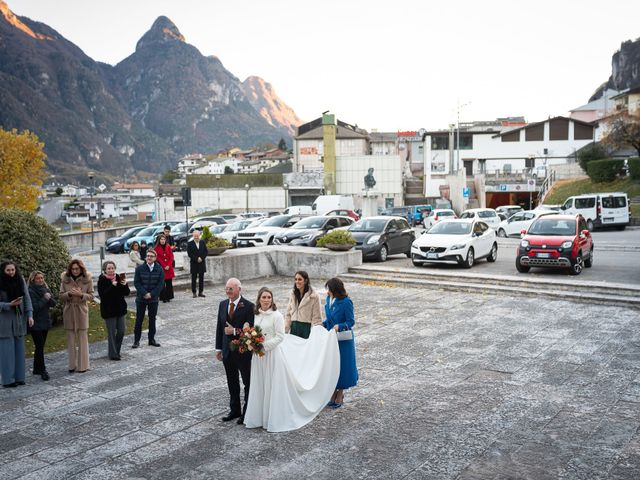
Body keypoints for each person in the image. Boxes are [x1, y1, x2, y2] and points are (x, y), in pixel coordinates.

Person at [244, 287, 340, 432]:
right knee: (260, 384)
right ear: (259, 299)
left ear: (272, 300)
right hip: (259, 357)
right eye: (263, 297)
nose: (266, 300)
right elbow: (254, 331)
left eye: (269, 297)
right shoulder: (256, 315)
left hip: (272, 355)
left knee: (271, 385)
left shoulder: (276, 315)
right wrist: (252, 342)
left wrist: (264, 346)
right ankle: (259, 417)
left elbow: (280, 336)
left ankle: (272, 418)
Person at [215, 278, 254, 424]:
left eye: (231, 288)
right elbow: (219, 328)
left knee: (247, 383)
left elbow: (251, 330)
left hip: (243, 351)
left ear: (239, 289)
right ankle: (234, 410)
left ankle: (247, 412)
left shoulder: (249, 306)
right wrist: (219, 348)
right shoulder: (222, 304)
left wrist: (235, 331)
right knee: (232, 382)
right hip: (227, 351)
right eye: (226, 288)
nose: (228, 291)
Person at [323, 277, 358, 408]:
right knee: (332, 365)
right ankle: (333, 391)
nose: (328, 292)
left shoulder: (346, 302)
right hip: (331, 338)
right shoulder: (328, 299)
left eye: (330, 289)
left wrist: (340, 326)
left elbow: (351, 321)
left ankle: (340, 393)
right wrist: (322, 325)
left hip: (343, 339)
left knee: (343, 366)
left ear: (336, 290)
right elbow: (329, 319)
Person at [0, 261, 34, 387]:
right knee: (6, 353)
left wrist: (30, 315)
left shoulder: (20, 281)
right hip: (4, 323)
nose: (11, 272)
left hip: (19, 321)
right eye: (8, 270)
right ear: (3, 271)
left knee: (20, 351)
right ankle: (8, 380)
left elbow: (27, 299)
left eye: (13, 270)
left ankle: (20, 378)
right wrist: (9, 305)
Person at [60, 259, 93, 373]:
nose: (75, 271)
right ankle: (72, 365)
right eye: (73, 269)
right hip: (69, 310)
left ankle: (83, 365)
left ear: (81, 269)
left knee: (83, 338)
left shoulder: (87, 279)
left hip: (81, 310)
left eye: (77, 269)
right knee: (71, 339)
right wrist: (69, 294)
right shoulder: (65, 279)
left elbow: (91, 296)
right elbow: (60, 296)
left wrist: (81, 295)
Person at [97, 261, 130, 360]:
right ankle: (113, 354)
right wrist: (112, 286)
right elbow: (103, 295)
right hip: (109, 311)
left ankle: (116, 351)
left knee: (121, 331)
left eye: (112, 268)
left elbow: (127, 293)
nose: (111, 270)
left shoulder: (119, 278)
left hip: (120, 309)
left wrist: (125, 285)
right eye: (109, 268)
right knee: (111, 333)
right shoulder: (102, 280)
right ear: (105, 270)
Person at [132, 249, 164, 348]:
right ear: (145, 257)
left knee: (152, 319)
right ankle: (136, 341)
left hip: (153, 299)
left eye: (151, 256)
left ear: (155, 258)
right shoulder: (139, 268)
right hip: (141, 298)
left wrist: (152, 294)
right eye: (148, 256)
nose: (149, 258)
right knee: (139, 320)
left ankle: (151, 339)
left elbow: (160, 284)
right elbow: (137, 283)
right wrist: (145, 293)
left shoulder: (159, 269)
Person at [27, 271, 56, 380]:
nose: (40, 280)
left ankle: (36, 368)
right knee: (39, 346)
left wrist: (48, 297)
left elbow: (53, 303)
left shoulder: (45, 289)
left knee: (40, 346)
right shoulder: (30, 291)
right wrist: (45, 298)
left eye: (42, 278)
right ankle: (43, 370)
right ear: (33, 280)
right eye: (38, 278)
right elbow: (35, 307)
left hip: (45, 321)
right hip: (35, 323)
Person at [284, 271, 322, 339]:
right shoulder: (293, 294)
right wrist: (285, 330)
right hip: (294, 328)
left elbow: (317, 317)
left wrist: (316, 334)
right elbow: (288, 314)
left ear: (305, 281)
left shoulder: (314, 296)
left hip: (306, 329)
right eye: (295, 279)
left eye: (300, 279)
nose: (297, 281)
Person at [154, 234, 175, 303]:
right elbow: (158, 259)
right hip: (161, 268)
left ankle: (169, 296)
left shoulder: (168, 246)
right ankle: (163, 297)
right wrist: (164, 266)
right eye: (161, 239)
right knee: (162, 284)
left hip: (169, 268)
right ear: (159, 240)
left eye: (164, 239)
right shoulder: (156, 248)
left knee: (169, 284)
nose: (163, 241)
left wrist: (168, 265)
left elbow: (171, 257)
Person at [187, 230, 208, 298]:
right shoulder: (190, 243)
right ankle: (194, 292)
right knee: (194, 279)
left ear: (199, 236)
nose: (196, 237)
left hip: (201, 263)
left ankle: (201, 292)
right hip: (194, 263)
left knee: (201, 279)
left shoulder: (202, 242)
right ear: (193, 236)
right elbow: (189, 254)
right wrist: (196, 259)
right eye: (195, 236)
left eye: (197, 236)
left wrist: (201, 258)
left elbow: (206, 251)